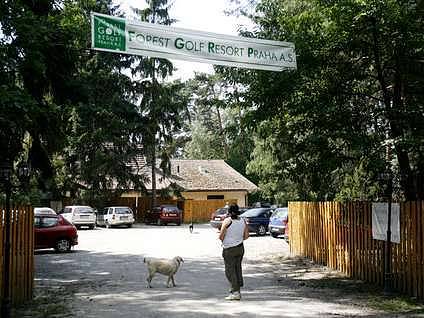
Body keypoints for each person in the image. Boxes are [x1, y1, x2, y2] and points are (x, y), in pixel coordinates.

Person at [219, 203, 249, 300]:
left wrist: (228, 240)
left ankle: (235, 292)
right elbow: (246, 236)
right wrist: (238, 239)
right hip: (240, 248)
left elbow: (221, 236)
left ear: (229, 212)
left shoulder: (227, 221)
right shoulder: (243, 221)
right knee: (237, 269)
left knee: (230, 271)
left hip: (229, 249)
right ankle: (238, 290)